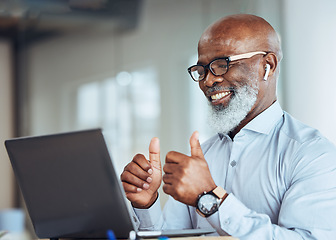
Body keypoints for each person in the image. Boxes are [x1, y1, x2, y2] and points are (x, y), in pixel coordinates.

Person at [120, 14, 336, 239]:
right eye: (202, 70)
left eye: (222, 65)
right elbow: (171, 236)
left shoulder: (312, 154)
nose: (207, 81)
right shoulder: (203, 157)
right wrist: (147, 204)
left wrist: (209, 198)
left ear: (268, 66)